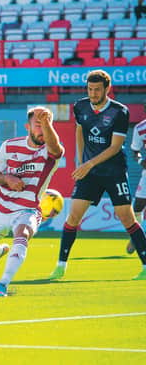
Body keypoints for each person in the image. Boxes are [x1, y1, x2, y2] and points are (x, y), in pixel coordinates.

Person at [48, 70, 146, 281]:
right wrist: (81, 163)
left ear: (107, 89)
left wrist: (89, 163)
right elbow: (79, 130)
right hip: (90, 172)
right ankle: (60, 266)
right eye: (90, 89)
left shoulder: (120, 112)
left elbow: (115, 147)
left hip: (114, 172)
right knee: (73, 216)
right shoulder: (80, 106)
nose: (92, 93)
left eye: (97, 90)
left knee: (126, 217)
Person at [0, 107, 64, 297]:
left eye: (48, 125)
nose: (43, 130)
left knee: (22, 235)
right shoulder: (9, 146)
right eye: (38, 125)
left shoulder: (51, 151)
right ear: (27, 127)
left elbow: (56, 149)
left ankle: (2, 284)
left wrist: (46, 123)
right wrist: (8, 179)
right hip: (0, 208)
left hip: (28, 209)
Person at [127, 104, 146, 254]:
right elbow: (135, 151)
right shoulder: (140, 128)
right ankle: (136, 236)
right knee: (138, 206)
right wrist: (141, 161)